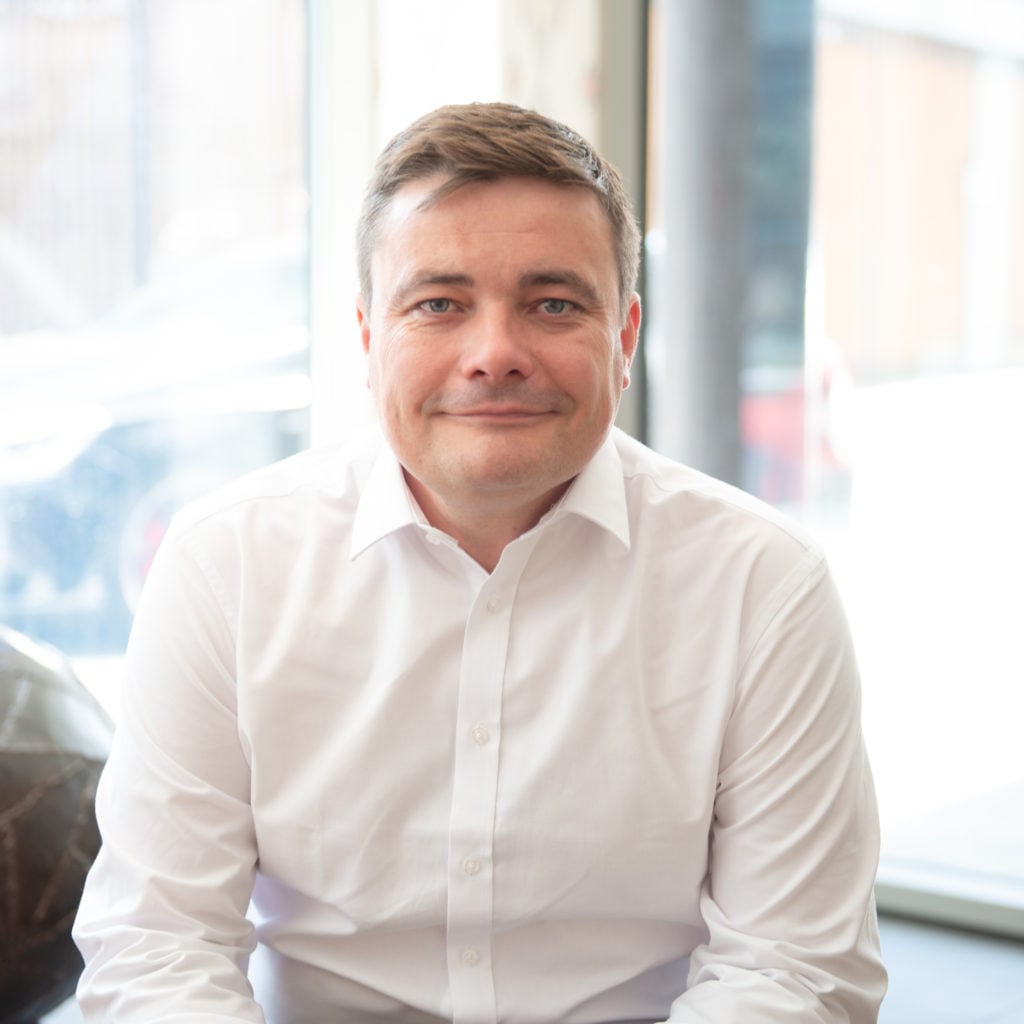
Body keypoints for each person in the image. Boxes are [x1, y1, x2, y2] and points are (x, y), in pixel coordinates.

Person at [73, 102, 887, 1023]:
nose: (495, 354)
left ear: (622, 340)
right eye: (438, 304)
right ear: (370, 339)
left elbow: (793, 971)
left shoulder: (763, 586)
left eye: (552, 303)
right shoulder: (225, 564)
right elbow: (158, 942)